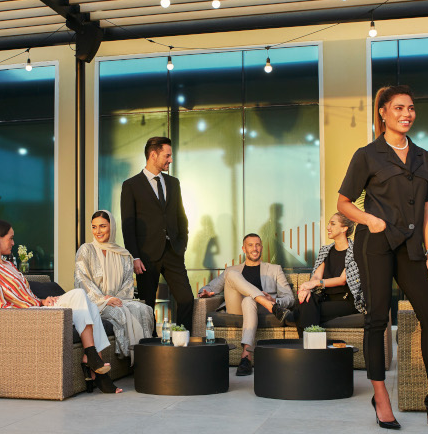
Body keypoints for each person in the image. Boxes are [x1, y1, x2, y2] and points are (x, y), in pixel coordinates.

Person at [338, 85, 428, 431]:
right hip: (375, 244)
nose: (407, 114)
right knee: (377, 319)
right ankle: (380, 397)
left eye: (411, 108)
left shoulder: (423, 157)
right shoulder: (368, 155)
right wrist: (369, 220)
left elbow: (426, 209)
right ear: (383, 113)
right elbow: (343, 203)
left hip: (413, 248)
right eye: (399, 108)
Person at [0, 219, 122, 394]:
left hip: (36, 309)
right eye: (11, 238)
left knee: (82, 299)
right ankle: (94, 363)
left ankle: (91, 357)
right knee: (80, 296)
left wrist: (42, 301)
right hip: (22, 316)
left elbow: (25, 295)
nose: (13, 243)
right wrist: (30, 308)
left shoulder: (8, 264)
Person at [120, 136, 194, 331]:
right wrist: (134, 256)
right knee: (147, 306)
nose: (170, 160)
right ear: (153, 155)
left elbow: (181, 216)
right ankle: (150, 344)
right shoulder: (131, 185)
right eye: (167, 156)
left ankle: (182, 340)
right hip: (145, 257)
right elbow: (128, 225)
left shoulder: (173, 183)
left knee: (186, 299)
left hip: (173, 252)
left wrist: (181, 244)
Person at [197, 233, 294, 376]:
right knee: (232, 274)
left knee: (249, 300)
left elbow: (289, 298)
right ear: (244, 249)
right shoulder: (232, 270)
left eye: (258, 245)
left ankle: (246, 357)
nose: (255, 248)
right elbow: (209, 287)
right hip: (237, 307)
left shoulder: (274, 269)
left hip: (260, 309)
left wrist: (275, 301)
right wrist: (205, 293)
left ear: (261, 248)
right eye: (250, 245)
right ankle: (268, 304)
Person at [74, 210, 155, 364]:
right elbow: (81, 279)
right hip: (96, 303)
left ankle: (147, 359)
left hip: (119, 300)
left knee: (144, 309)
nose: (98, 231)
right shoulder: (86, 250)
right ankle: (130, 357)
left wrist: (116, 299)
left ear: (112, 227)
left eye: (103, 226)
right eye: (94, 227)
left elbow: (127, 283)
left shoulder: (123, 254)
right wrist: (104, 299)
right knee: (120, 314)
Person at [295, 212, 366, 335]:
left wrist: (315, 283)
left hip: (346, 300)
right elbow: (316, 275)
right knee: (306, 301)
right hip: (326, 298)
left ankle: (306, 342)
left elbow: (342, 280)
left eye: (333, 224)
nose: (328, 227)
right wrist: (307, 288)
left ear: (344, 228)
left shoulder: (354, 251)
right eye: (328, 224)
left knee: (303, 311)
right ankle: (310, 343)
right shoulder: (326, 250)